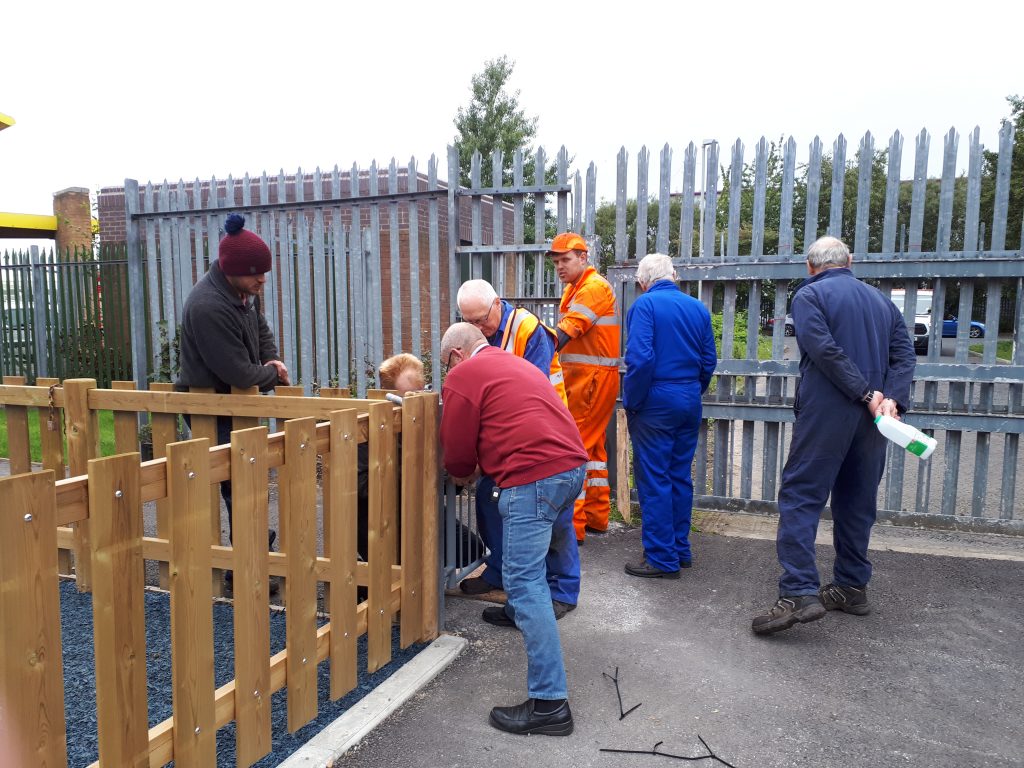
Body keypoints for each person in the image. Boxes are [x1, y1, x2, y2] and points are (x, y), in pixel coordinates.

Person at [751, 236, 916, 635]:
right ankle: (851, 587)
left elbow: (823, 350)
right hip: (874, 419)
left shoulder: (810, 297)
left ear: (810, 267)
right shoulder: (880, 302)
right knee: (857, 500)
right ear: (850, 262)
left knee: (801, 496)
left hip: (828, 413)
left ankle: (799, 592)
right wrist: (889, 399)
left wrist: (864, 392)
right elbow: (905, 355)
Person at [439, 322, 586, 736]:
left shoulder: (463, 375)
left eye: (445, 365)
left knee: (526, 580)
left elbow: (458, 451)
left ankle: (550, 704)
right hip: (570, 468)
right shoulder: (513, 362)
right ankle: (515, 611)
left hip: (533, 479)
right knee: (529, 561)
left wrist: (460, 472)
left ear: (455, 355)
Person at [455, 279, 577, 612]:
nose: (479, 327)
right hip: (506, 440)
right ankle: (499, 572)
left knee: (552, 514)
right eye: (470, 322)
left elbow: (530, 392)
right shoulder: (474, 335)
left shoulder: (527, 329)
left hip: (545, 437)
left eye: (482, 319)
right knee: (488, 498)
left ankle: (562, 590)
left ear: (498, 303)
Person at [177, 213, 289, 548]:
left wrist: (272, 358)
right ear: (231, 269)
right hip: (212, 407)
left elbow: (260, 326)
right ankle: (243, 560)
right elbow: (238, 373)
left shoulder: (239, 292)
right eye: (256, 274)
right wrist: (275, 374)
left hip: (234, 401)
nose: (262, 281)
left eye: (264, 273)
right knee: (238, 483)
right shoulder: (208, 306)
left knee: (245, 479)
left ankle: (251, 544)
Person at [622, 253, 717, 579]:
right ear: (674, 275)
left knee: (654, 480)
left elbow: (640, 359)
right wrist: (691, 391)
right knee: (679, 476)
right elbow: (708, 361)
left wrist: (633, 401)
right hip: (688, 399)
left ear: (642, 282)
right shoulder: (698, 308)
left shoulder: (644, 306)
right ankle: (679, 549)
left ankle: (661, 559)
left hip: (654, 402)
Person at [547, 232, 620, 544]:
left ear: (583, 257)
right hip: (585, 379)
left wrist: (531, 346)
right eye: (556, 261)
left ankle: (572, 529)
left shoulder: (592, 288)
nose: (560, 266)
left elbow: (565, 333)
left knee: (574, 449)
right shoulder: (576, 288)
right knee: (593, 451)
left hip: (592, 380)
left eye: (566, 260)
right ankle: (595, 516)